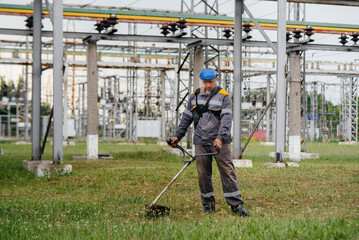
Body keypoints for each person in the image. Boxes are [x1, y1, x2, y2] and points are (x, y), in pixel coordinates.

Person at [169, 68, 248, 216]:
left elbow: (226, 119)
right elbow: (187, 117)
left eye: (210, 82)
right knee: (203, 174)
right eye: (205, 82)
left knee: (227, 172)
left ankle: (236, 205)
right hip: (200, 140)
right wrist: (178, 136)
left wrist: (220, 137)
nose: (208, 85)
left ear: (216, 79)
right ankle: (208, 205)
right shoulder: (195, 96)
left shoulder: (224, 96)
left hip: (219, 142)